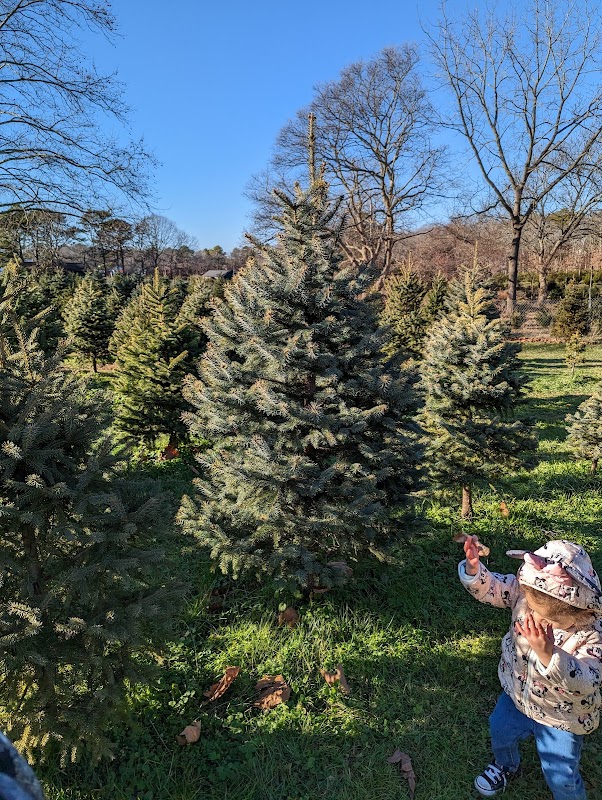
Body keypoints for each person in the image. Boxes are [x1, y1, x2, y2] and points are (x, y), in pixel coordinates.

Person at [459, 536, 602, 799]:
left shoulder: (590, 635)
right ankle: (506, 765)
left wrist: (550, 654)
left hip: (562, 717)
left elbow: (589, 680)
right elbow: (495, 587)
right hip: (517, 694)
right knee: (500, 729)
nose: (535, 618)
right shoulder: (528, 595)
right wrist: (474, 569)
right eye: (532, 609)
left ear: (578, 610)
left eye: (549, 618)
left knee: (561, 774)